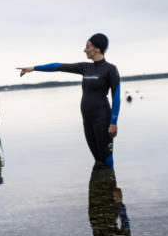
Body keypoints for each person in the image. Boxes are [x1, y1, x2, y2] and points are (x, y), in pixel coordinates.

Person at [17, 33, 120, 168]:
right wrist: (34, 68)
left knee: (106, 157)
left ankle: (111, 184)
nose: (84, 50)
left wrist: (113, 123)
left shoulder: (110, 69)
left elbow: (116, 97)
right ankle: (99, 187)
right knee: (97, 157)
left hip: (102, 118)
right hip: (87, 119)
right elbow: (58, 66)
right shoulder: (85, 67)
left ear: (97, 49)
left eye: (87, 46)